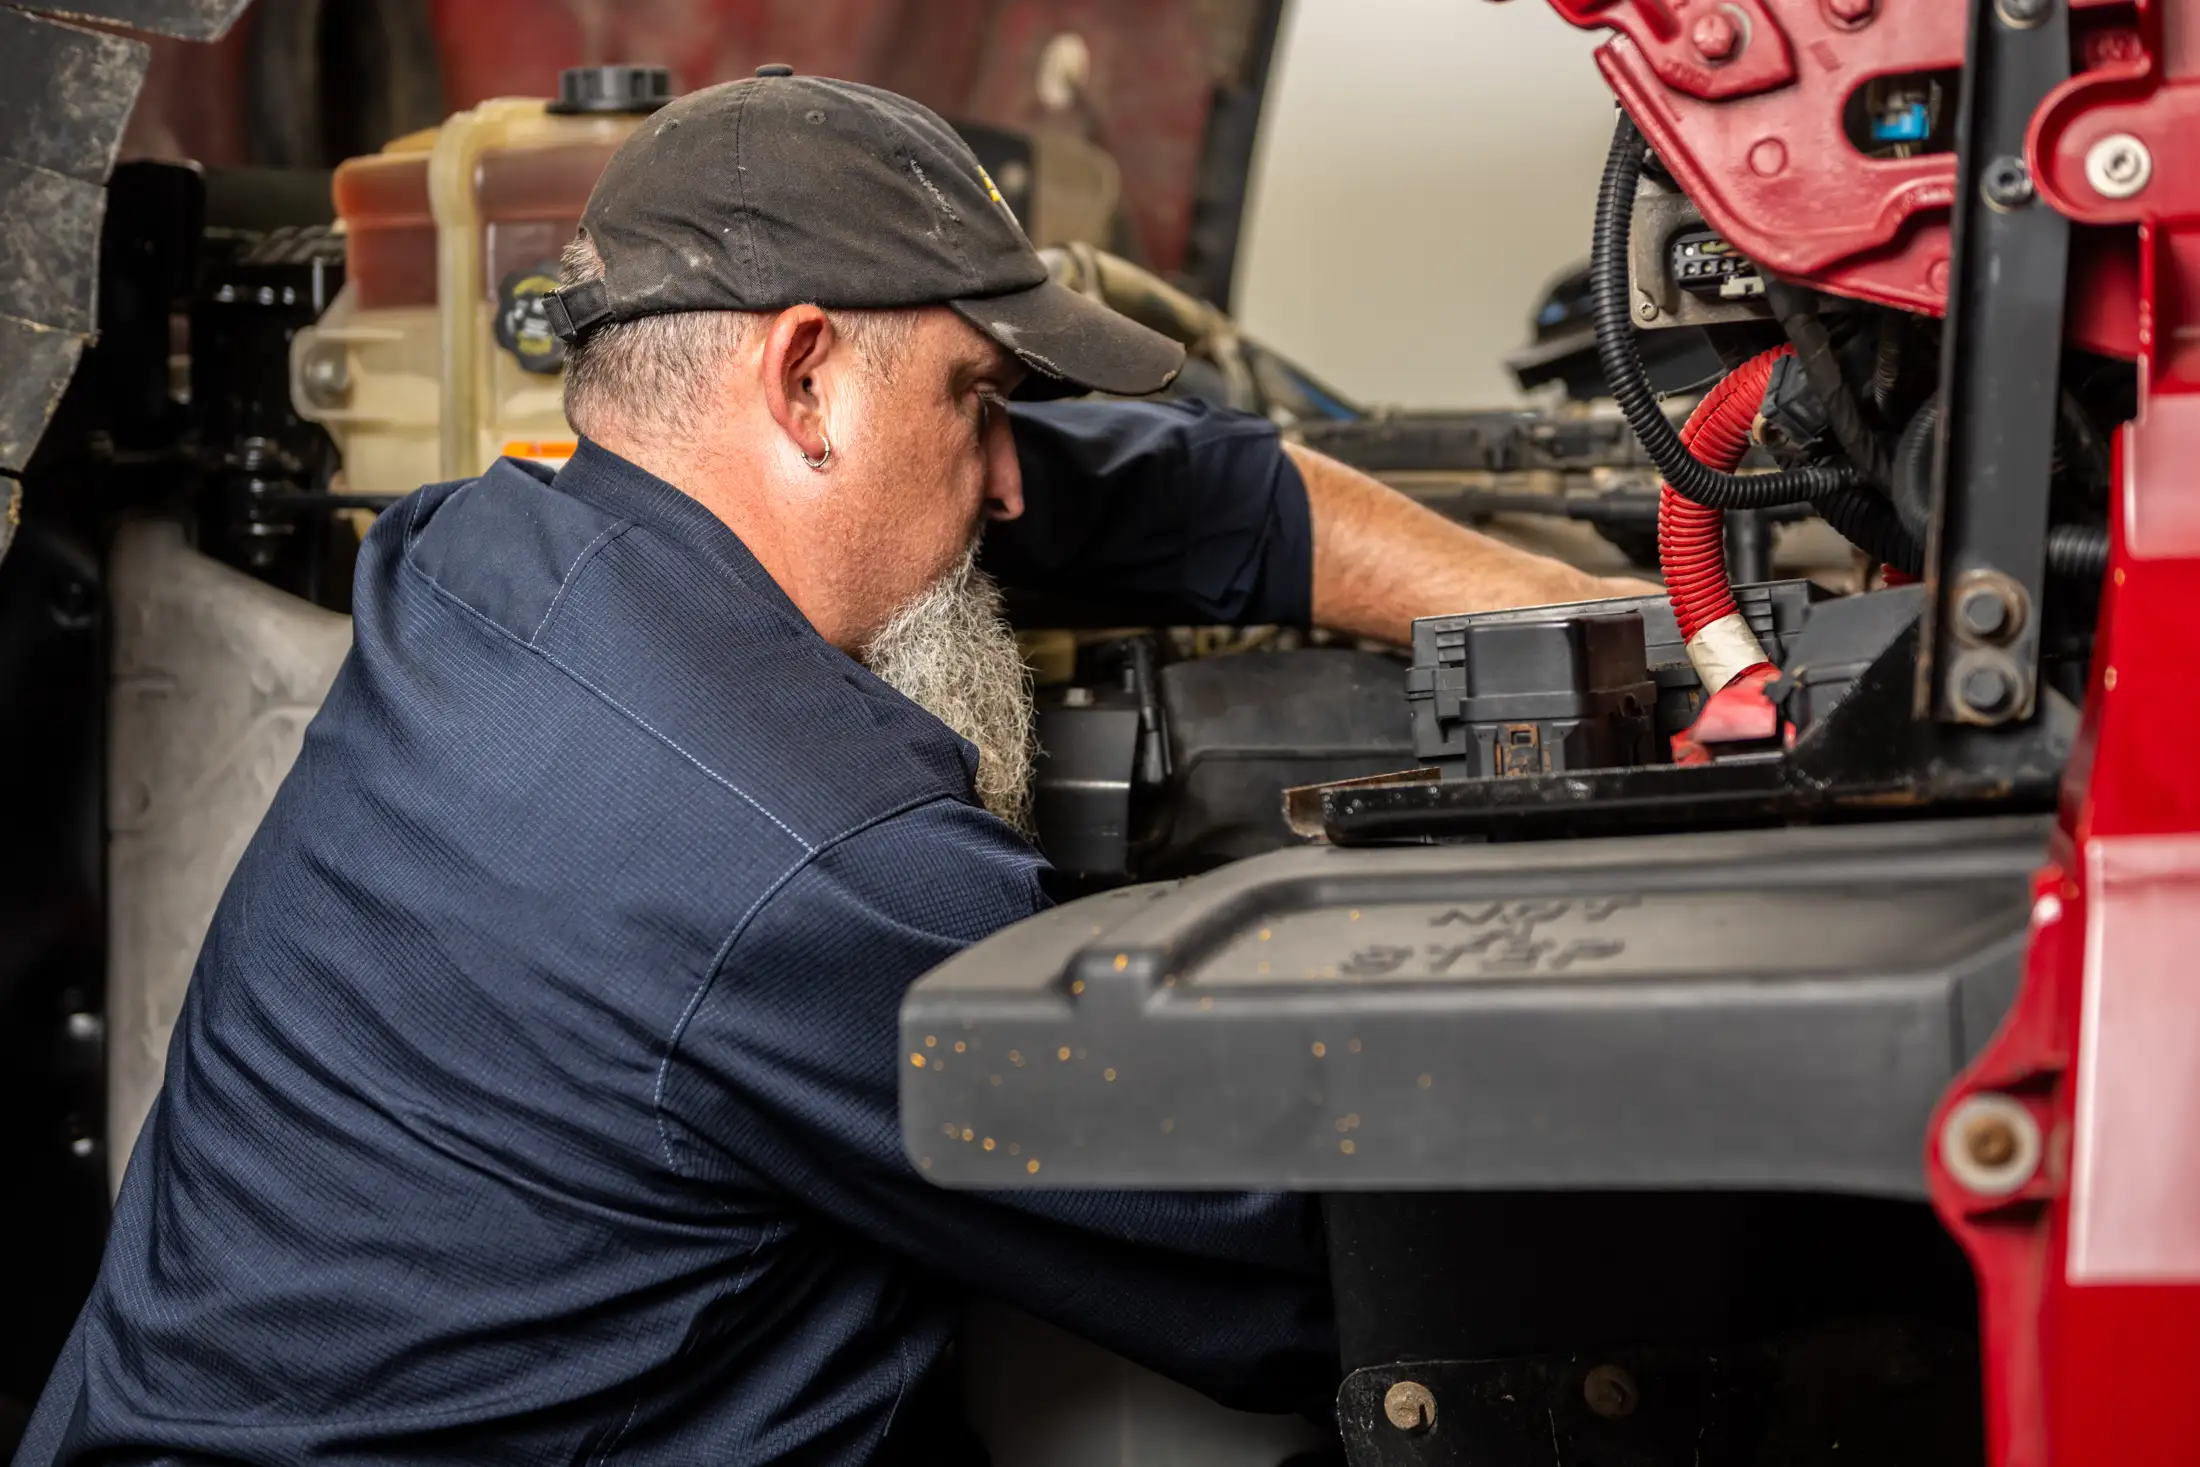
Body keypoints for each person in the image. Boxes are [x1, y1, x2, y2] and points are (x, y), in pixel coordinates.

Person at [20, 72, 1649, 1465]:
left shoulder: (468, 551)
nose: (1011, 481)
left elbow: (1174, 496)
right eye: (978, 400)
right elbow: (1299, 1259)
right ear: (803, 380)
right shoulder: (811, 864)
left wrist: (1614, 626)